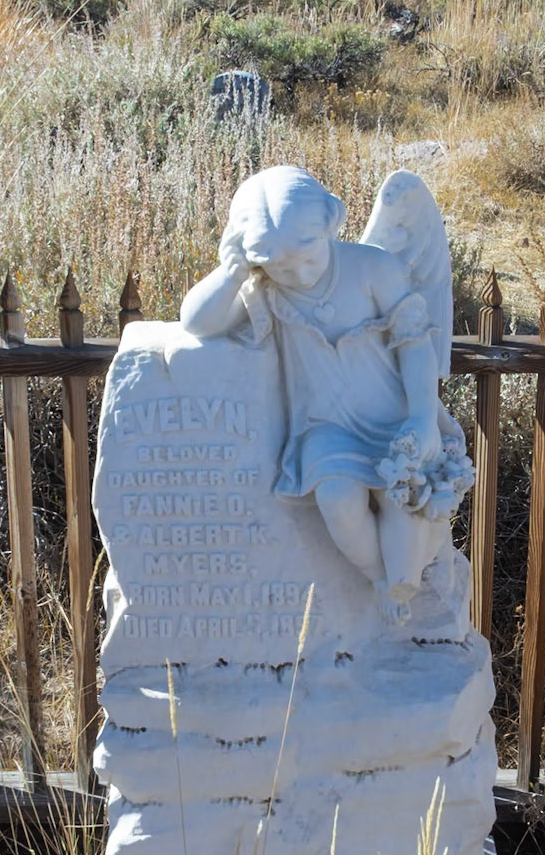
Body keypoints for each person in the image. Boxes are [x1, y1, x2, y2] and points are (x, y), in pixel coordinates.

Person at [179, 166, 473, 622]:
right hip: (327, 428)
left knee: (407, 511)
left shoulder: (375, 268)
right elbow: (197, 321)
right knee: (338, 500)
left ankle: (401, 576)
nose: (298, 274)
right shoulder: (268, 287)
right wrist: (233, 269)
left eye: (309, 258)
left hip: (395, 416)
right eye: (281, 266)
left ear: (331, 227)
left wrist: (420, 417)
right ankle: (379, 579)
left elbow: (416, 347)